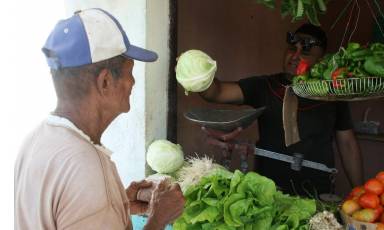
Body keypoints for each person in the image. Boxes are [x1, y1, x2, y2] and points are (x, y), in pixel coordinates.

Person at [14, 8, 184, 230]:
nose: (132, 82)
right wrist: (159, 219)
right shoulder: (84, 165)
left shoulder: (36, 140)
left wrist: (116, 205)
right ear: (105, 82)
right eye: (129, 72)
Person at [198, 23, 364, 196]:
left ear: (321, 61)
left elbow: (347, 144)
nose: (295, 56)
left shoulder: (333, 95)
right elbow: (216, 93)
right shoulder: (265, 86)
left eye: (305, 52)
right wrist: (193, 72)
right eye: (292, 48)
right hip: (268, 193)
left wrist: (360, 192)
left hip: (317, 193)